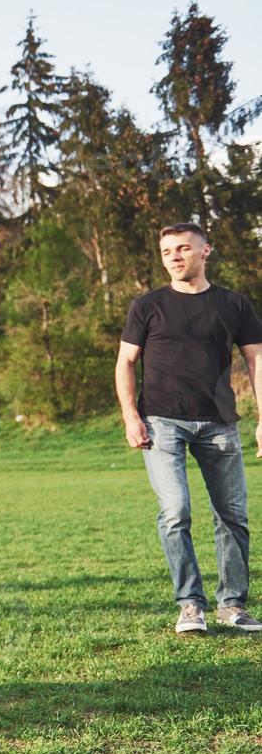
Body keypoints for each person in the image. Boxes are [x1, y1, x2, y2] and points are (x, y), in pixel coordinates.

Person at [115, 222, 262, 635]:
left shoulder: (233, 304)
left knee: (232, 515)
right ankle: (190, 605)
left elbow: (256, 361)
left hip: (219, 423)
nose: (175, 257)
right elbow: (126, 362)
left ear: (205, 251)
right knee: (176, 510)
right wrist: (131, 415)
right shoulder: (147, 306)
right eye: (167, 252)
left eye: (183, 249)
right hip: (161, 421)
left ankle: (232, 604)